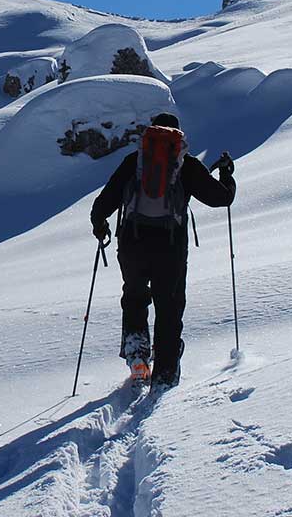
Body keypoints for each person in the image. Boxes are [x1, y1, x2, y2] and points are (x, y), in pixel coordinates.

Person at [89, 112, 235, 388]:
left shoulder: (135, 162)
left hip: (132, 243)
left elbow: (104, 202)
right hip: (170, 246)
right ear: (178, 136)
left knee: (134, 296)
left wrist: (100, 226)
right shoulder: (186, 164)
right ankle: (165, 373)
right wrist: (227, 175)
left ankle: (137, 355)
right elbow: (221, 198)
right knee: (169, 306)